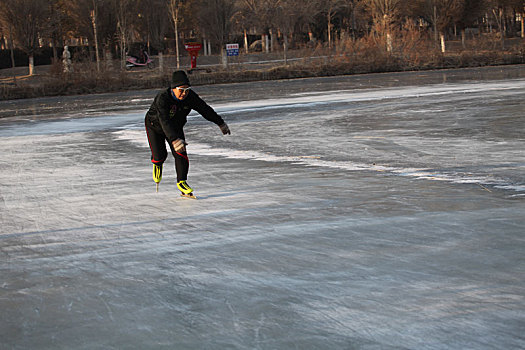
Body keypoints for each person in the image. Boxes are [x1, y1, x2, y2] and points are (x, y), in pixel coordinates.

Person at [145, 70, 230, 196]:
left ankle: (182, 182)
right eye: (181, 90)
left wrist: (220, 123)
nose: (184, 93)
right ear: (173, 88)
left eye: (187, 89)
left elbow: (205, 109)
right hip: (155, 126)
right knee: (160, 155)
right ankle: (157, 163)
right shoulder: (163, 98)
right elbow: (164, 120)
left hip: (175, 126)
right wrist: (174, 139)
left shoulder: (190, 97)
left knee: (181, 153)